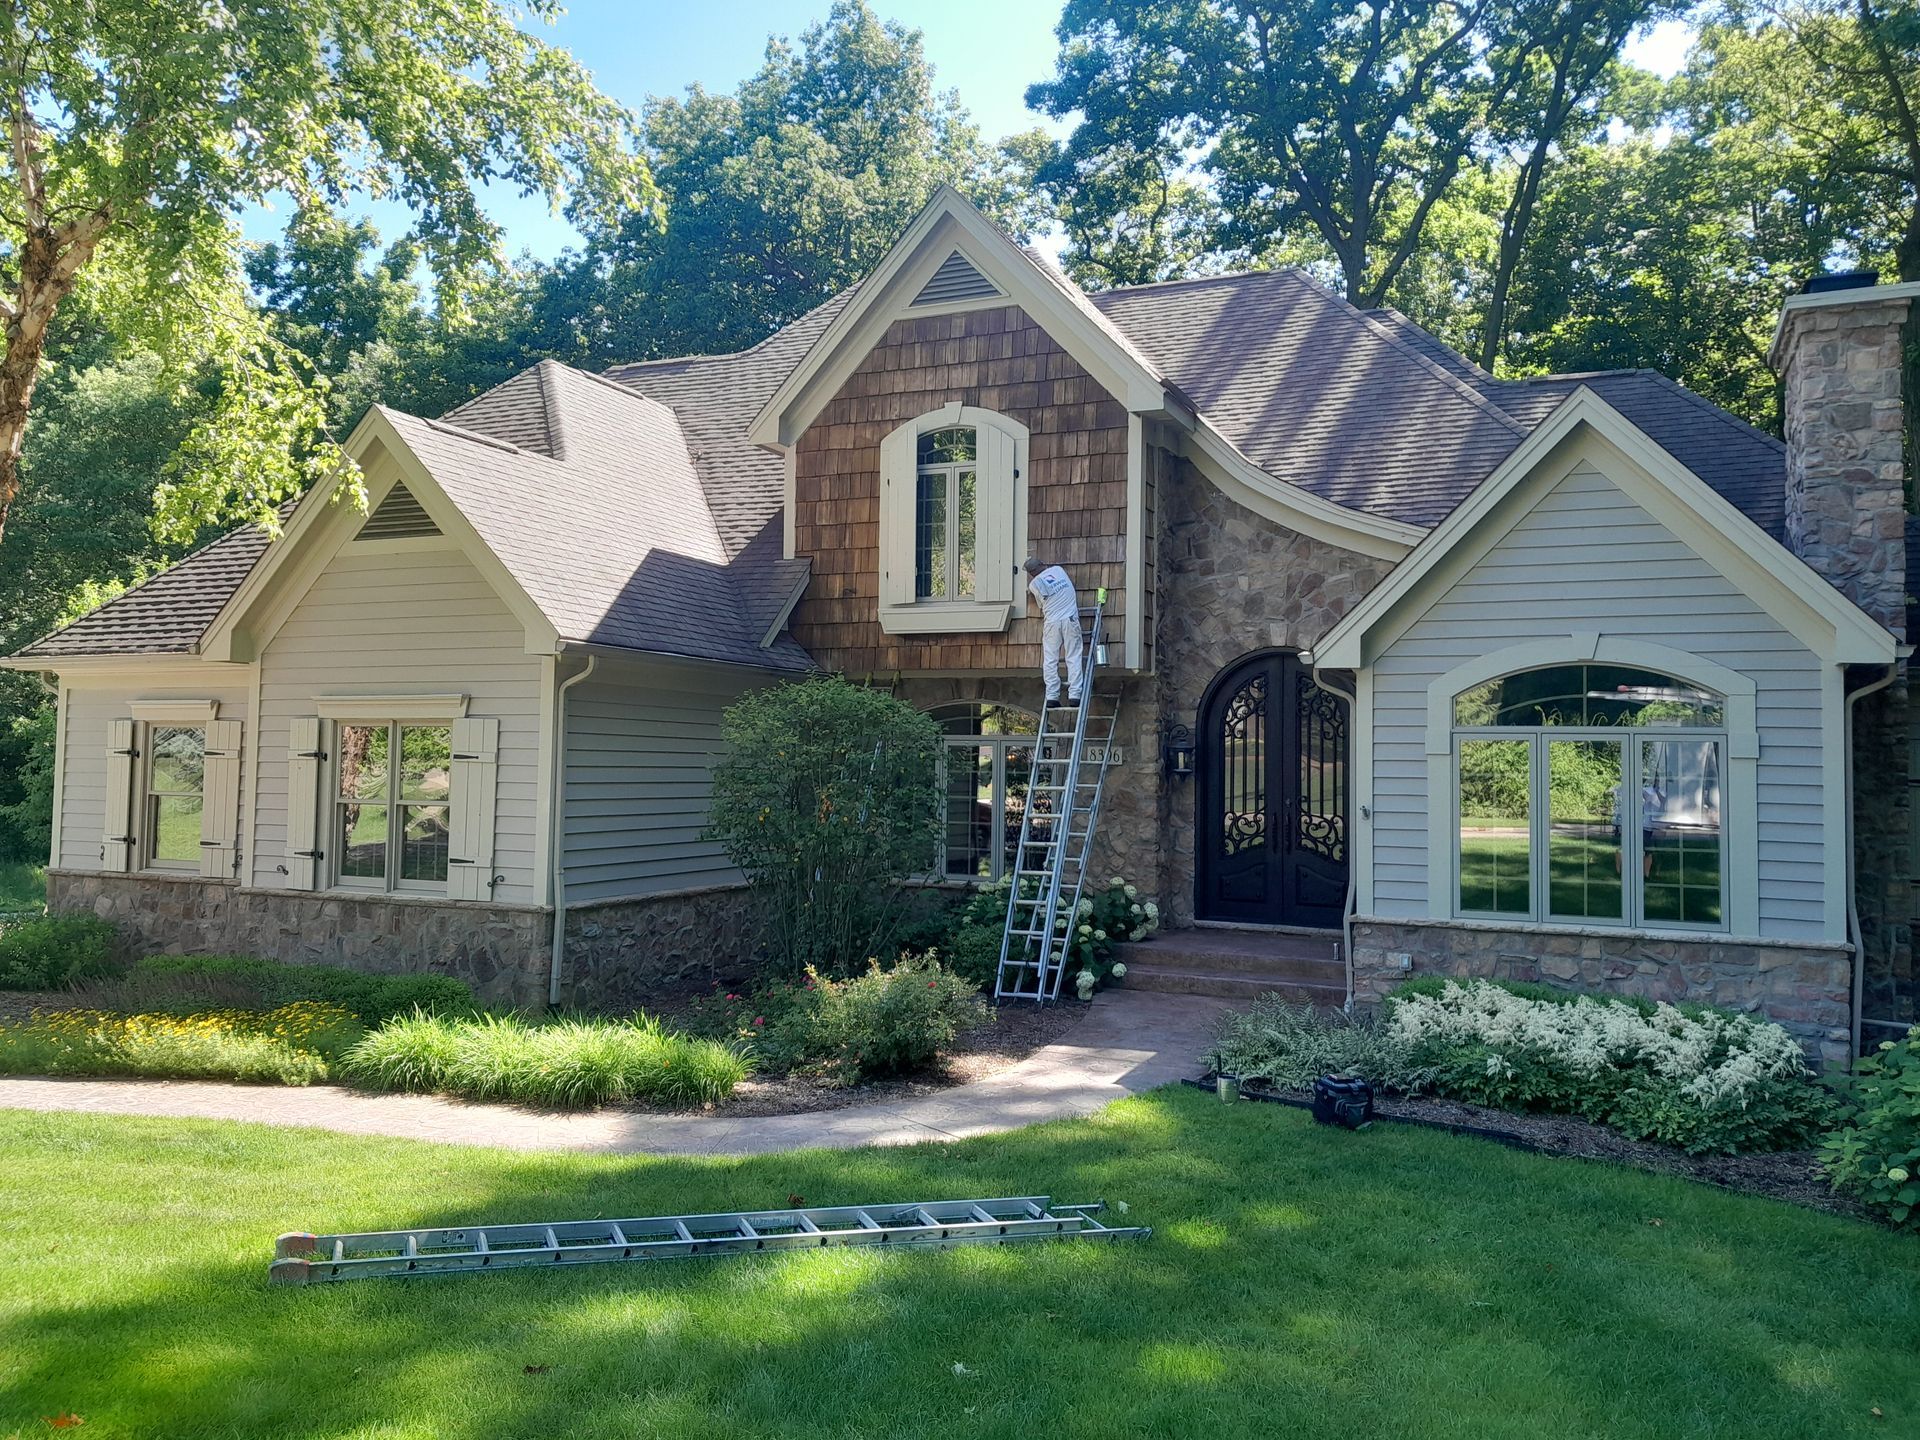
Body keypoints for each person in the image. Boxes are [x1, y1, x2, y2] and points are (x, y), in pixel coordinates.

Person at [1024, 555, 1082, 708]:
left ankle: (1052, 696)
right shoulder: (1058, 570)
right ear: (1043, 564)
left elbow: (1042, 604)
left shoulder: (1034, 584)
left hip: (1052, 623)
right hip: (1070, 620)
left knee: (1050, 659)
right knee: (1073, 656)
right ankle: (1075, 695)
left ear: (1031, 573)